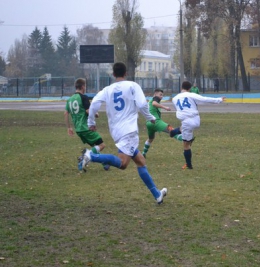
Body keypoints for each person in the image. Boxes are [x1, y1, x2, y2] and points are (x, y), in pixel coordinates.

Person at [79, 62, 167, 204]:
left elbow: (94, 102)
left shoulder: (107, 89)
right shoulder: (132, 85)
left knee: (140, 161)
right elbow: (143, 104)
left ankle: (157, 194)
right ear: (126, 73)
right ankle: (91, 156)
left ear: (113, 74)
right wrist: (150, 117)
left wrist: (91, 122)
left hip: (116, 131)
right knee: (123, 163)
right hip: (129, 131)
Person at [170, 81, 226, 169]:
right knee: (186, 133)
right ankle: (175, 131)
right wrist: (219, 99)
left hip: (186, 121)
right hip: (196, 119)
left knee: (186, 145)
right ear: (190, 88)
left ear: (181, 88)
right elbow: (205, 99)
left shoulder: (174, 98)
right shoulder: (192, 95)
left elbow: (180, 109)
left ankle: (189, 165)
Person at [64, 78, 109, 171]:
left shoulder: (70, 100)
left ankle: (104, 163)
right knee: (101, 145)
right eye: (85, 86)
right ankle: (85, 156)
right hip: (86, 127)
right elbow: (88, 111)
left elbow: (66, 113)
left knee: (95, 146)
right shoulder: (83, 97)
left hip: (78, 129)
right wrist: (96, 114)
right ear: (83, 86)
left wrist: (69, 128)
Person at [142, 89, 182, 158]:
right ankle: (186, 140)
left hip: (148, 123)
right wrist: (165, 107)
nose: (161, 96)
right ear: (155, 94)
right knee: (171, 130)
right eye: (160, 94)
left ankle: (143, 153)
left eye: (162, 95)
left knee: (150, 139)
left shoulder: (150, 101)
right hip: (156, 122)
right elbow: (154, 103)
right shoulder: (155, 99)